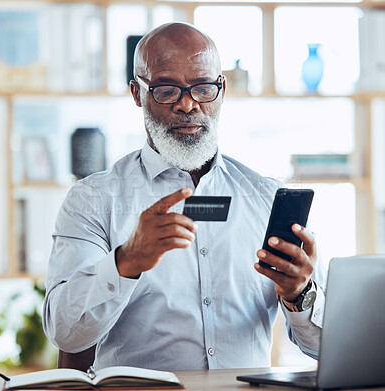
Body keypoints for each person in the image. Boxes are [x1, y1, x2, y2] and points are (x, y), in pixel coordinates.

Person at [43, 22, 327, 371]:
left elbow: (324, 348)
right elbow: (66, 333)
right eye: (166, 90)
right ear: (137, 93)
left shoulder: (265, 198)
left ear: (221, 89)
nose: (188, 104)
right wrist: (126, 262)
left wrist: (301, 293)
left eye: (204, 88)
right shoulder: (93, 199)